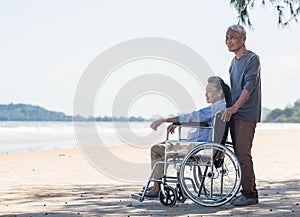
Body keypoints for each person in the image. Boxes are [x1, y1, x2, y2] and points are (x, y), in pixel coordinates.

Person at [143, 76, 230, 198]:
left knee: (156, 149)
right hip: (200, 146)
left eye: (209, 90)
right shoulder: (221, 107)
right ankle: (157, 185)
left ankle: (157, 187)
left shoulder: (216, 108)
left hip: (198, 148)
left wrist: (164, 120)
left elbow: (194, 116)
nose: (206, 94)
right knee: (163, 146)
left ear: (219, 92)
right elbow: (197, 118)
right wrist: (178, 122)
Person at [222, 24, 261, 206]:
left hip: (246, 114)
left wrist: (235, 108)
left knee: (243, 154)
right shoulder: (233, 63)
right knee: (239, 154)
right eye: (227, 38)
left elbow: (249, 87)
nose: (228, 41)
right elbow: (233, 90)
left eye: (232, 37)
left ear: (243, 39)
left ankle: (249, 195)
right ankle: (248, 191)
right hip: (234, 113)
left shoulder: (252, 59)